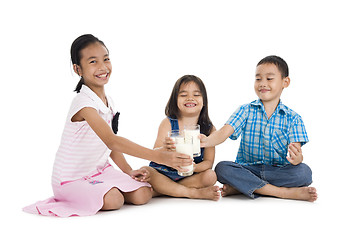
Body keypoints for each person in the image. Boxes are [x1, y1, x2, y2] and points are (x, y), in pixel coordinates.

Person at [23, 34, 192, 217]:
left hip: (99, 172)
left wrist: (128, 171)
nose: (103, 67)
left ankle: (112, 187)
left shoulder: (108, 102)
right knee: (114, 199)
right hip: (70, 179)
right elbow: (112, 141)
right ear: (78, 69)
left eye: (106, 59)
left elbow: (108, 145)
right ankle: (93, 193)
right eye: (93, 62)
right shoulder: (83, 103)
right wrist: (159, 156)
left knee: (143, 194)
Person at [200, 55, 318, 202]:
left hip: (277, 171)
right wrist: (206, 141)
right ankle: (282, 193)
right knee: (222, 168)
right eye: (258, 79)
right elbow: (224, 132)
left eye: (269, 79)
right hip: (248, 169)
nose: (262, 83)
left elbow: (297, 154)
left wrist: (297, 159)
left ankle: (241, 187)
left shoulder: (293, 118)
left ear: (285, 82)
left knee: (304, 173)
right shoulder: (245, 110)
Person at [142, 75, 220, 201]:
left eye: (196, 95)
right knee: (146, 170)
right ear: (175, 100)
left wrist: (194, 167)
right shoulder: (168, 123)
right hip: (163, 173)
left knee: (210, 176)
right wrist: (165, 148)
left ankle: (163, 190)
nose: (190, 98)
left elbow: (208, 163)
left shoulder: (209, 130)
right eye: (183, 95)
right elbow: (155, 152)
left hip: (189, 176)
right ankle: (190, 192)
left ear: (204, 100)